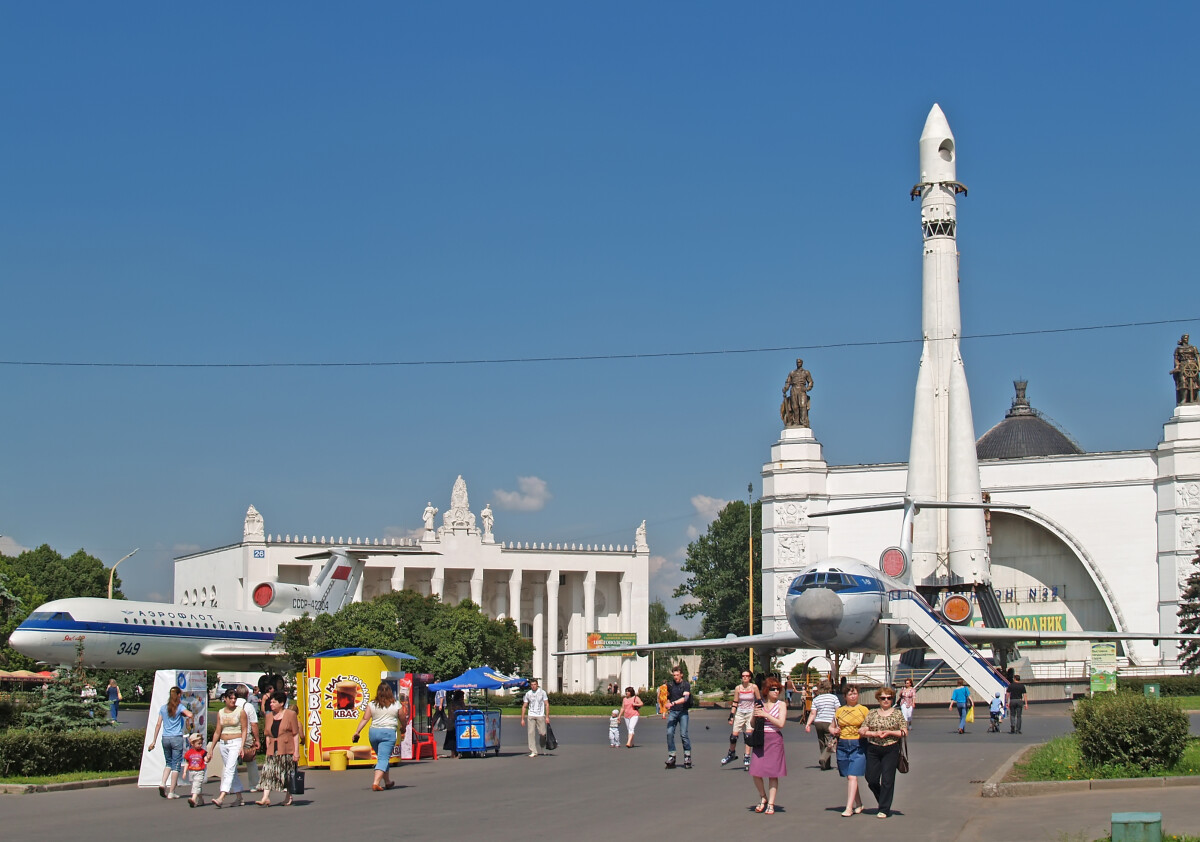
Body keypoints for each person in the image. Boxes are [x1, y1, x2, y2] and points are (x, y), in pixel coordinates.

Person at [860, 687, 907, 819]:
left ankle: (884, 808)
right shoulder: (872, 713)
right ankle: (883, 799)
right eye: (883, 698)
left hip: (891, 748)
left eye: (889, 698)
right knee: (871, 779)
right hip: (873, 747)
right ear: (878, 699)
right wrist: (873, 733)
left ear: (892, 699)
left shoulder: (897, 713)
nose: (886, 700)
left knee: (887, 780)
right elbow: (863, 730)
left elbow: (904, 731)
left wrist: (890, 732)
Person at [352, 681, 406, 790]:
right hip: (388, 733)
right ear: (391, 692)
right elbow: (403, 718)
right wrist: (403, 727)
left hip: (374, 733)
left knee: (382, 757)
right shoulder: (396, 704)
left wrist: (357, 731)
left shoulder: (372, 704)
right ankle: (376, 783)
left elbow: (365, 719)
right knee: (383, 758)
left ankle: (387, 781)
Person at [146, 685, 194, 799]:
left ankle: (162, 783)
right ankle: (172, 791)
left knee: (168, 762)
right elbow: (190, 714)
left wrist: (154, 740)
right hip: (176, 737)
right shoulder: (179, 707)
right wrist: (186, 718)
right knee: (176, 765)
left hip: (165, 738)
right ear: (178, 695)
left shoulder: (163, 708)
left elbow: (158, 724)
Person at [749, 677, 788, 815]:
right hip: (761, 738)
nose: (776, 691)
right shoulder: (760, 704)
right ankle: (763, 796)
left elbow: (781, 724)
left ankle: (771, 803)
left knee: (773, 774)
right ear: (766, 690)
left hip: (774, 739)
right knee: (755, 770)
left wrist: (766, 715)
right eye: (773, 689)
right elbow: (753, 724)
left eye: (778, 689)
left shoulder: (781, 704)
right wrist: (755, 714)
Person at [828, 684, 869, 817]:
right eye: (850, 694)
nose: (853, 696)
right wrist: (833, 730)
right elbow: (831, 726)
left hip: (858, 743)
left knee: (852, 775)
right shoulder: (840, 711)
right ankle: (859, 803)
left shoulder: (863, 710)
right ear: (845, 696)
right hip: (843, 744)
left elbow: (869, 725)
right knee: (849, 776)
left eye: (855, 693)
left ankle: (849, 807)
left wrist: (865, 730)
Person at [206, 687, 248, 807]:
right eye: (231, 698)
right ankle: (239, 797)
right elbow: (217, 731)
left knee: (228, 769)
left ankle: (222, 796)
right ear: (225, 699)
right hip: (224, 743)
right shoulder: (220, 712)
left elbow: (244, 729)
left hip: (236, 741)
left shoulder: (240, 711)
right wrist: (211, 749)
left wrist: (242, 746)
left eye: (235, 698)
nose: (233, 701)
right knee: (232, 770)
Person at [257, 691, 301, 806]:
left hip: (287, 748)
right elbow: (267, 733)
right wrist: (268, 747)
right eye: (270, 702)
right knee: (268, 772)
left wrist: (296, 752)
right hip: (272, 748)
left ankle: (288, 796)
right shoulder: (269, 716)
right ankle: (265, 797)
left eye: (274, 702)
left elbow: (295, 734)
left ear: (281, 703)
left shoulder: (290, 714)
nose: (271, 704)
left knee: (287, 773)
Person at [723, 669, 762, 768]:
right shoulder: (738, 688)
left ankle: (747, 757)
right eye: (743, 676)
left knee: (748, 736)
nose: (745, 677)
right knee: (734, 736)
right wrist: (731, 715)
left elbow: (759, 701)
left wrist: (759, 713)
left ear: (750, 677)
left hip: (750, 713)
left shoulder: (754, 687)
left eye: (747, 676)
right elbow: (735, 702)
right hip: (740, 713)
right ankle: (731, 753)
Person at [804, 679, 839, 771]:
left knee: (822, 742)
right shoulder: (833, 698)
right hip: (829, 722)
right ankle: (823, 758)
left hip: (818, 722)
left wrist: (808, 724)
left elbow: (813, 713)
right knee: (830, 742)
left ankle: (826, 764)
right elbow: (838, 711)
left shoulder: (816, 699)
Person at [664, 665, 692, 769]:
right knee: (669, 733)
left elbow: (685, 698)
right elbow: (668, 697)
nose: (675, 677)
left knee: (683, 734)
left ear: (681, 675)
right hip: (673, 712)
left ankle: (687, 756)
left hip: (683, 712)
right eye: (674, 675)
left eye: (677, 675)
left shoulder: (686, 685)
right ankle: (672, 756)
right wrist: (668, 705)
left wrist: (673, 703)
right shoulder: (670, 685)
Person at [234, 685, 261, 791]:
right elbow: (254, 724)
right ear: (246, 694)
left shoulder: (232, 704)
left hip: (233, 735)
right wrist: (257, 739)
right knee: (251, 760)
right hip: (246, 736)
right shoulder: (248, 706)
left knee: (231, 762)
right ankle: (254, 785)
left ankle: (230, 786)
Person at [781, 358, 814, 428]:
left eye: (799, 362)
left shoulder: (806, 372)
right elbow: (788, 382)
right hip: (794, 389)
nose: (798, 363)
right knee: (794, 407)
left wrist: (808, 388)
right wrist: (785, 388)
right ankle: (796, 422)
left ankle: (803, 422)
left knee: (802, 405)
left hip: (802, 389)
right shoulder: (792, 373)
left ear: (802, 363)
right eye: (797, 362)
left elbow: (810, 381)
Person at [521, 678, 550, 757]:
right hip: (531, 715)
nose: (533, 686)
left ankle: (543, 747)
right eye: (532, 685)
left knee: (543, 733)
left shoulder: (542, 692)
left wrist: (547, 717)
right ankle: (533, 751)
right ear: (530, 686)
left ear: (537, 685)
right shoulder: (528, 694)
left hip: (540, 715)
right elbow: (524, 706)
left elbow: (546, 704)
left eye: (535, 684)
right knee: (531, 733)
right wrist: (522, 719)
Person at [183, 732, 208, 808]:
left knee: (196, 785)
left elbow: (205, 759)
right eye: (198, 743)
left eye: (201, 743)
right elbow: (187, 762)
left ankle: (193, 799)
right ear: (192, 743)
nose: (200, 745)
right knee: (196, 786)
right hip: (191, 771)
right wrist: (184, 772)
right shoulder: (189, 753)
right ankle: (201, 799)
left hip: (200, 771)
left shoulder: (203, 752)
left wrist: (207, 758)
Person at [1173, 334, 1199, 405]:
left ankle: (1194, 399)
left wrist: (1199, 367)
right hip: (1182, 366)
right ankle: (1184, 399)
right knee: (1183, 382)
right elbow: (1176, 359)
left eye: (1187, 338)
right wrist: (1177, 366)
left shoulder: (1193, 348)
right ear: (1182, 339)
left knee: (1194, 383)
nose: (1186, 339)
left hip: (1192, 366)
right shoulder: (1178, 349)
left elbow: (1197, 357)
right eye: (1185, 337)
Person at [443, 690, 464, 758]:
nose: (463, 698)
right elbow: (457, 712)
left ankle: (454, 753)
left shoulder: (457, 703)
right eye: (462, 696)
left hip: (453, 722)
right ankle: (453, 753)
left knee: (453, 737)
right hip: (453, 723)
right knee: (453, 737)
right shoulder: (456, 704)